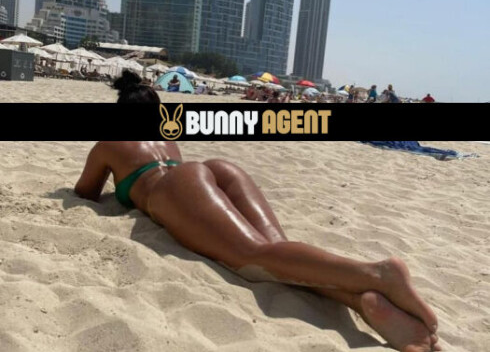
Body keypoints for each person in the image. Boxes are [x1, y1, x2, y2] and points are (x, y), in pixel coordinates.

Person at [75, 71, 441, 352]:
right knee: (277, 254)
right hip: (213, 171)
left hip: (173, 189)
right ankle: (363, 302)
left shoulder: (110, 143)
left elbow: (85, 192)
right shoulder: (167, 137)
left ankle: (378, 274)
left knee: (252, 257)